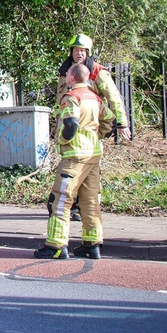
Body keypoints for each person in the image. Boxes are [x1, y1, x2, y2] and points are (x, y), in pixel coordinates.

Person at [35, 62, 116, 260]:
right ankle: (92, 244)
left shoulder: (72, 97)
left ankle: (55, 245)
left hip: (74, 156)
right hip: (93, 156)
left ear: (71, 78)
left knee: (60, 199)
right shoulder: (96, 98)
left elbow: (70, 125)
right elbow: (110, 121)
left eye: (67, 76)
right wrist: (98, 135)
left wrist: (62, 140)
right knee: (90, 201)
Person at [55, 33, 131, 222]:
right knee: (70, 173)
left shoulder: (98, 72)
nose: (79, 53)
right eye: (76, 50)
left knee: (88, 174)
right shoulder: (65, 72)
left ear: (88, 53)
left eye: (82, 51)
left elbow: (114, 97)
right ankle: (74, 207)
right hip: (70, 132)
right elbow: (61, 102)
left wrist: (121, 123)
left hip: (90, 131)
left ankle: (87, 208)